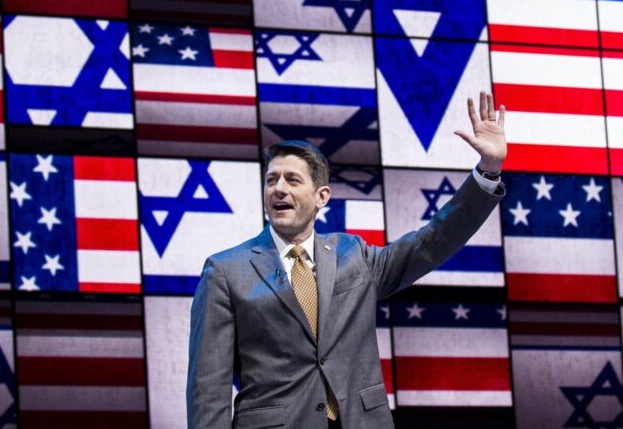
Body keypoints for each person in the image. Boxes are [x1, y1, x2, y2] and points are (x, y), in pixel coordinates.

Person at [187, 91, 507, 429]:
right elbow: (208, 389)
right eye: (271, 180)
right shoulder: (225, 271)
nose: (278, 188)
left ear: (321, 196)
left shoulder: (353, 255)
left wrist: (488, 171)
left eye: (292, 180)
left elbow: (430, 243)